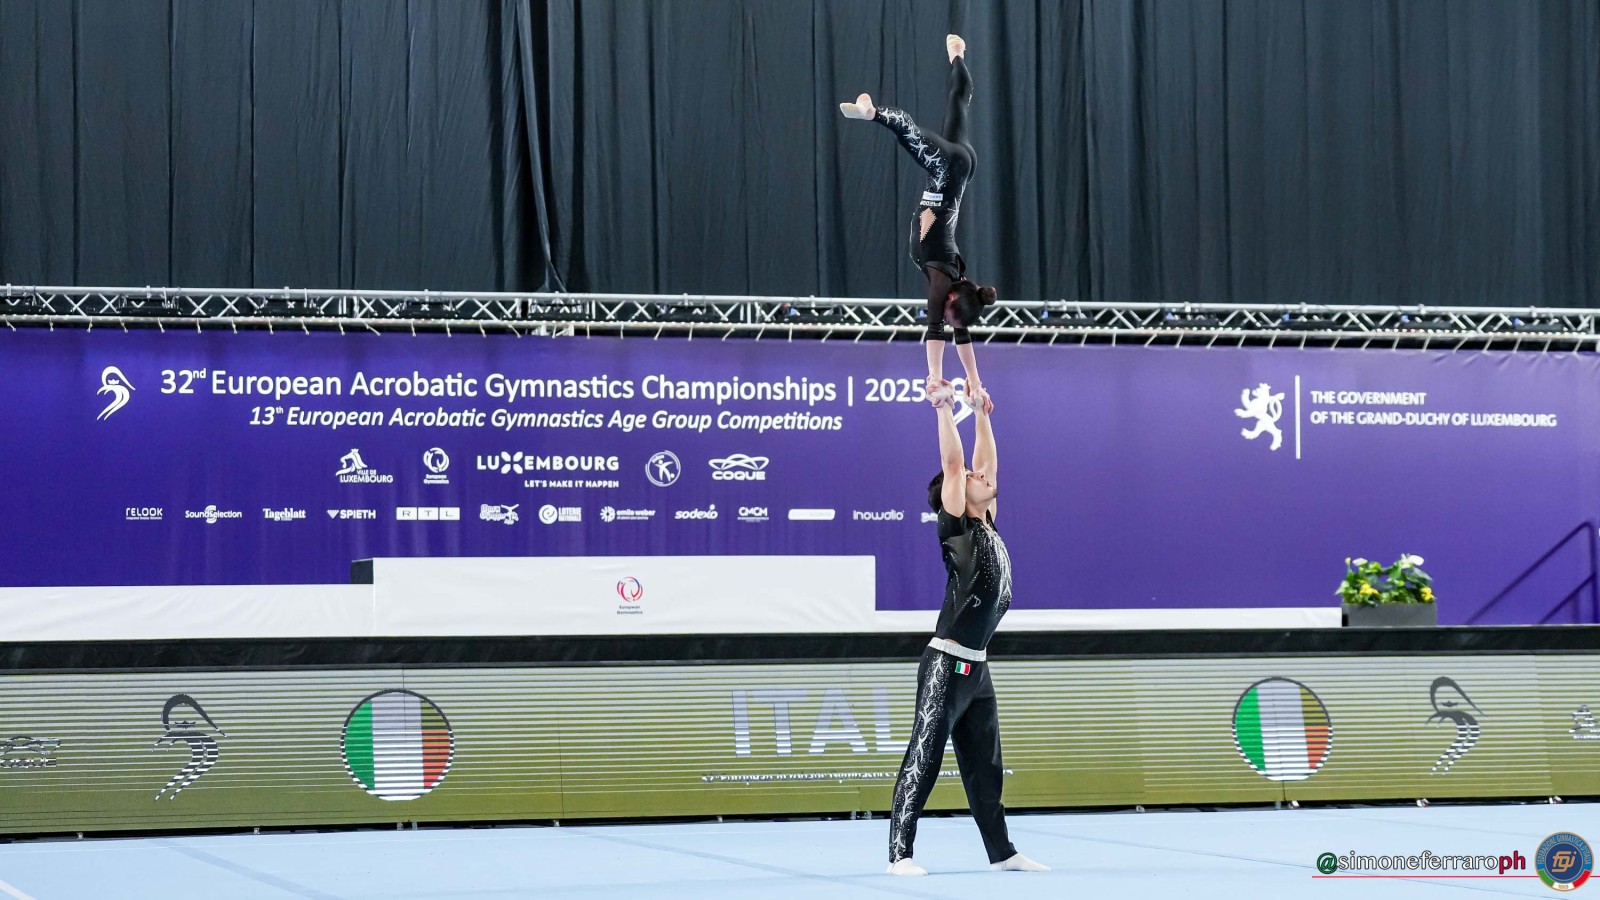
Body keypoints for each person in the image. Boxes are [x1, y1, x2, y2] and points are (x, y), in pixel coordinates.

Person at [884, 381, 1048, 876]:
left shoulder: (988, 521)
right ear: (954, 495)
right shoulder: (957, 527)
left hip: (977, 668)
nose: (982, 476)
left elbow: (986, 464)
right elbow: (956, 465)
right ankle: (899, 855)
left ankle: (1002, 853)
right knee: (926, 755)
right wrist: (944, 409)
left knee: (985, 766)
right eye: (971, 477)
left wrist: (981, 414)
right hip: (946, 664)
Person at [840, 34, 998, 411]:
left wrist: (975, 383)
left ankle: (957, 55)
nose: (943, 313)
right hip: (949, 172)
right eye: (947, 310)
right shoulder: (942, 281)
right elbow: (935, 330)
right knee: (912, 137)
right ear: (952, 298)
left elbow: (961, 335)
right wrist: (934, 378)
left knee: (959, 102)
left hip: (962, 169)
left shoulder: (958, 280)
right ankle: (873, 113)